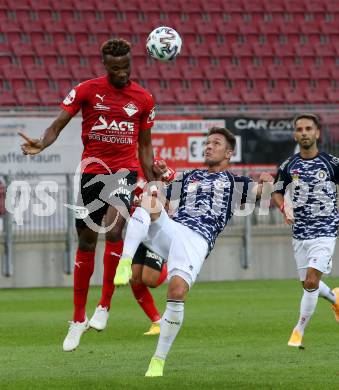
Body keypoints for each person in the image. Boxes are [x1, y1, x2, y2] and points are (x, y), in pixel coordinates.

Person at [19, 38, 158, 351]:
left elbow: (145, 146)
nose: (122, 73)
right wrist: (43, 142)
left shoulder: (144, 99)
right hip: (92, 173)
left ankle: (104, 306)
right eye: (116, 68)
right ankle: (78, 318)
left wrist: (151, 182)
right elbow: (59, 123)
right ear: (105, 65)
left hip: (125, 172)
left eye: (126, 67)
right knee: (85, 241)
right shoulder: (86, 90)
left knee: (114, 230)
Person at [115, 127, 274, 376]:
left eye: (216, 143)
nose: (209, 146)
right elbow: (166, 191)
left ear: (229, 152)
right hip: (174, 228)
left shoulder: (236, 182)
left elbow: (261, 195)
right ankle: (124, 262)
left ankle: (158, 360)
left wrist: (267, 183)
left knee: (176, 291)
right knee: (150, 197)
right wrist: (159, 175)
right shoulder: (191, 176)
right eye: (207, 142)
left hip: (197, 240)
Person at [272, 113, 339, 348]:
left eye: (308, 128)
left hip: (326, 231)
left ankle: (298, 330)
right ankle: (335, 298)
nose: (304, 132)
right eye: (299, 129)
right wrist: (284, 206)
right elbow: (277, 190)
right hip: (300, 234)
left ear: (317, 133)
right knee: (307, 285)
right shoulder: (288, 166)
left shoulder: (331, 163)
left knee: (311, 281)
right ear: (295, 134)